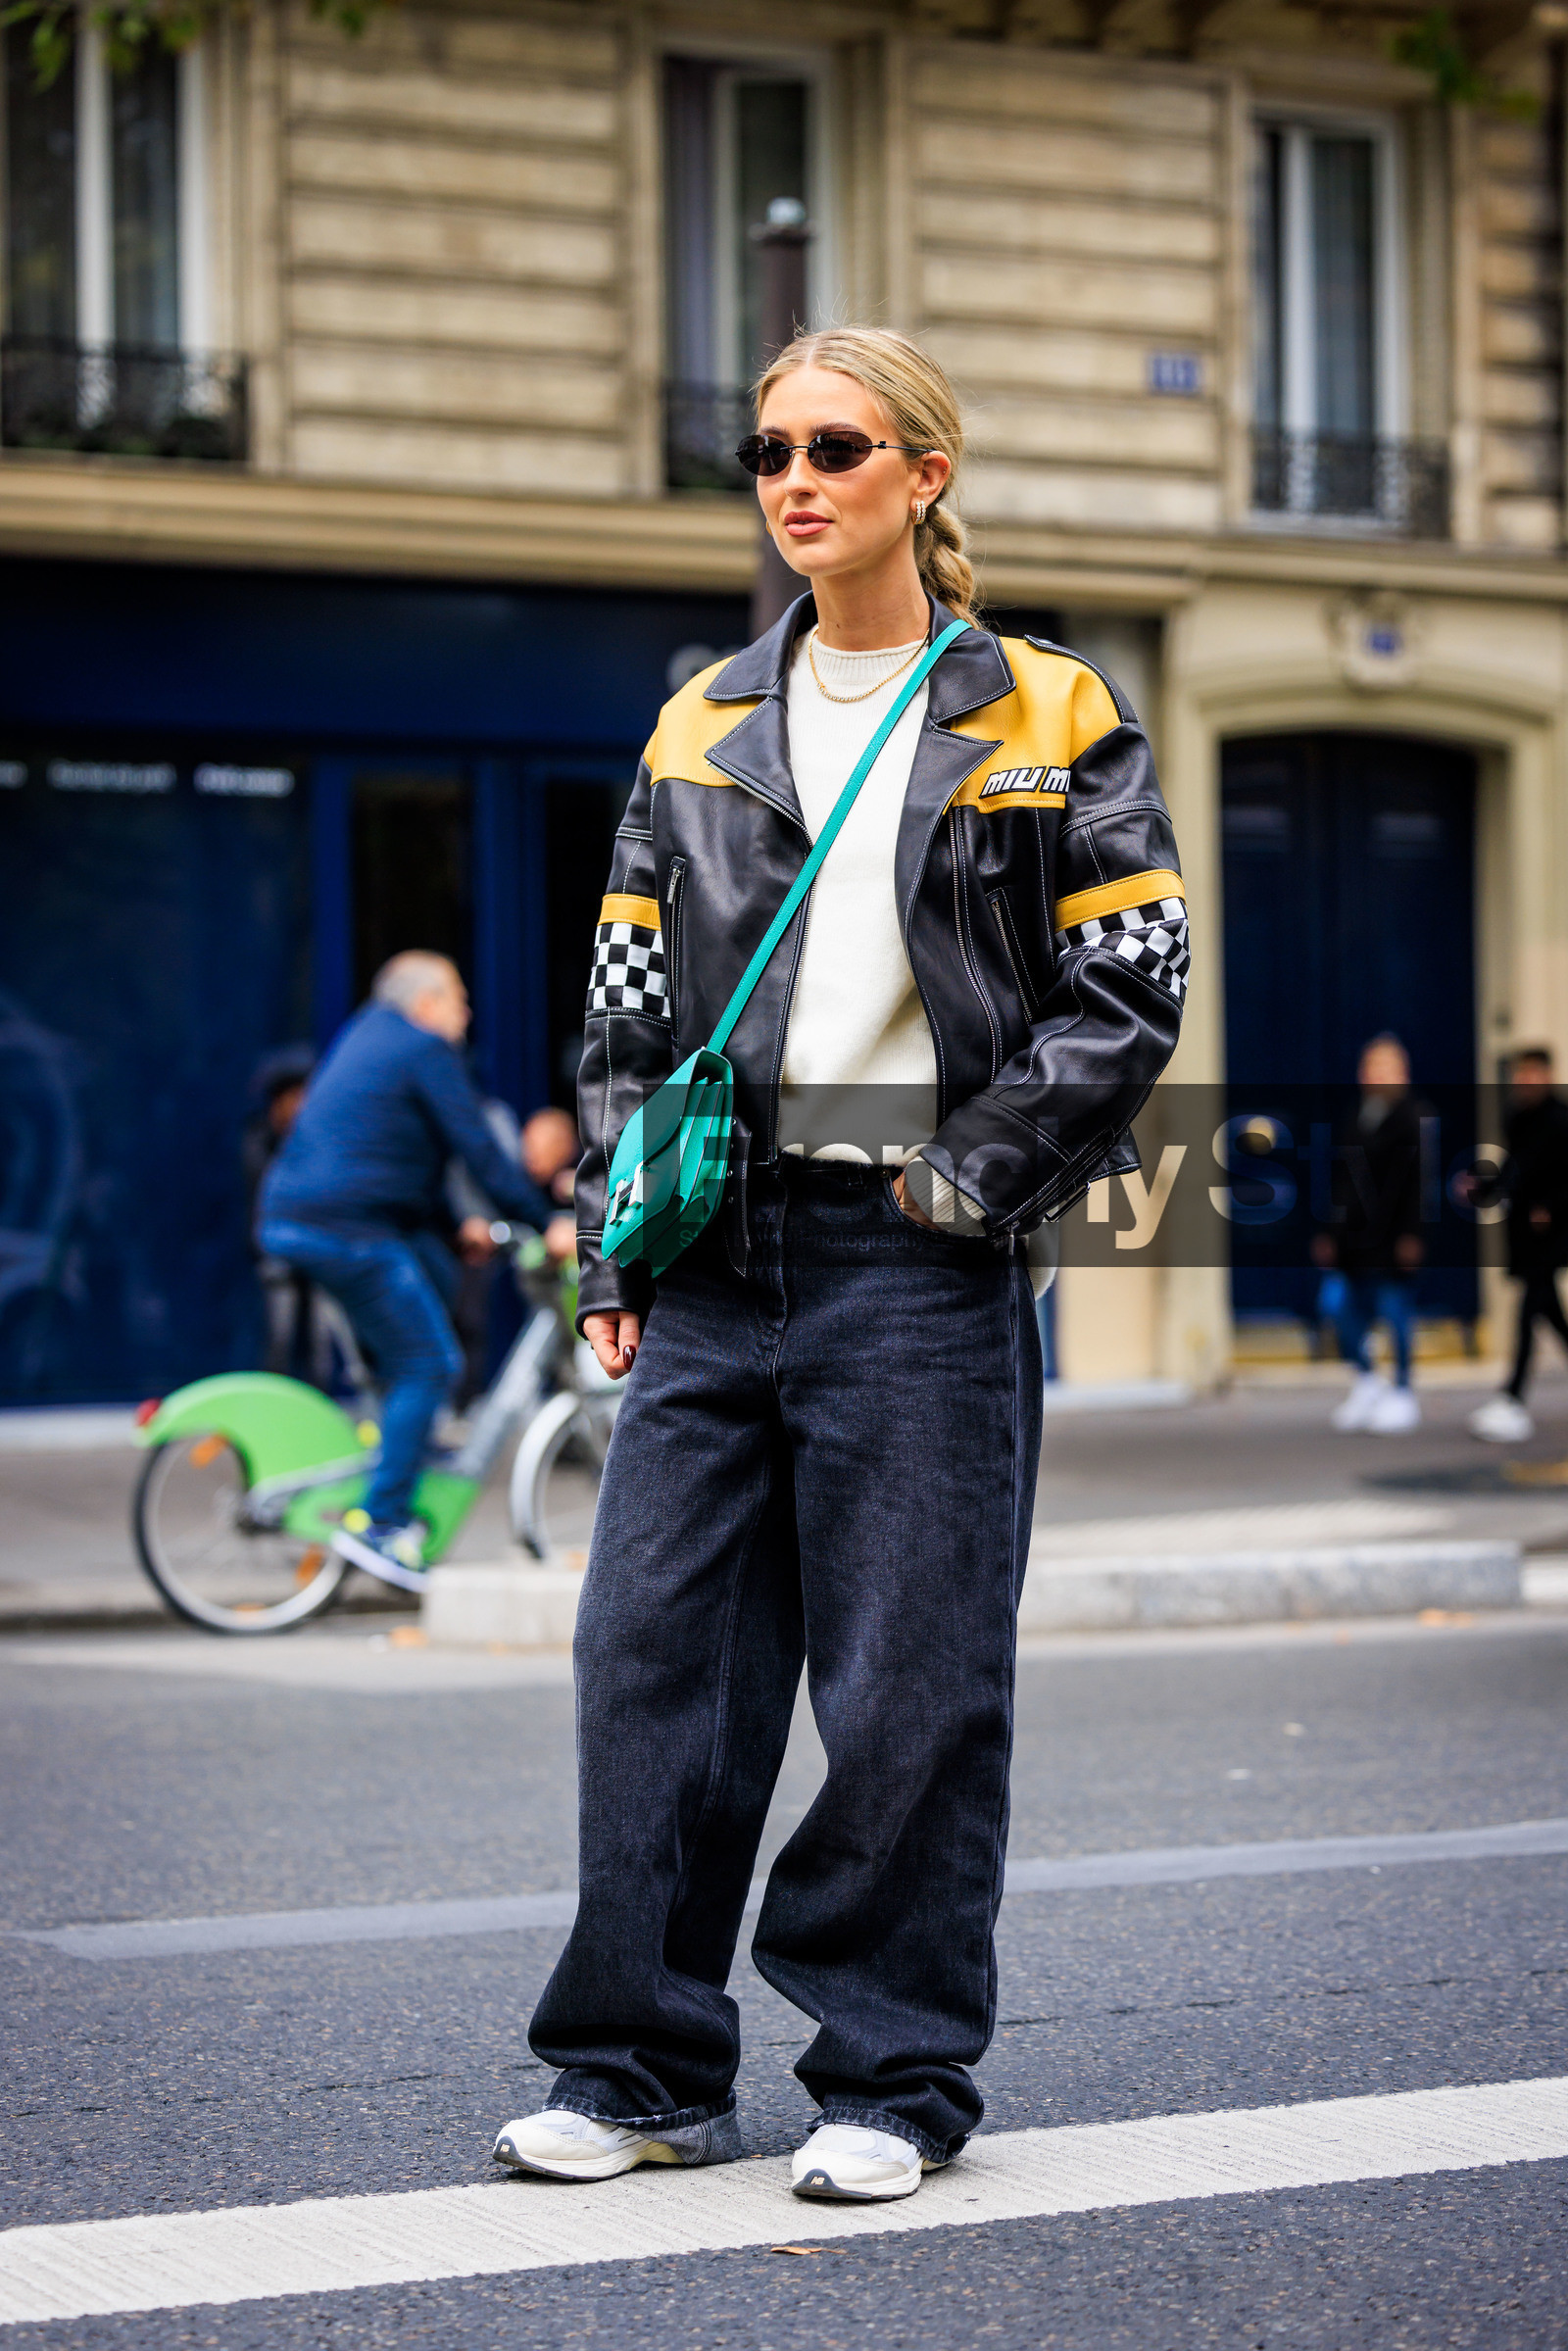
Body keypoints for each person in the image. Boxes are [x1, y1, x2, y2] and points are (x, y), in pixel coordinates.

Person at [492, 326, 1185, 2204]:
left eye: (836, 445)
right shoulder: (702, 714)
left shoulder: (1049, 710)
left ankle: (893, 2069)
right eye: (767, 448)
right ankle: (636, 2061)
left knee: (908, 1683)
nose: (795, 476)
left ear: (923, 475)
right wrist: (610, 1240)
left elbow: (1135, 990)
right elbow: (626, 1000)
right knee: (653, 1662)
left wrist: (971, 1184)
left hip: (918, 1247)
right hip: (717, 1252)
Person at [258, 952, 575, 1586]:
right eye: (459, 997)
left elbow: (402, 1153)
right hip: (347, 1231)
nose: (468, 1012)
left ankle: (400, 1460)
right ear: (426, 1002)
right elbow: (478, 1149)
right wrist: (546, 1222)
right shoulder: (423, 1048)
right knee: (429, 1363)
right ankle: (380, 1521)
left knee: (418, 1326)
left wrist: (455, 1228)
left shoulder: (369, 1035)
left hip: (307, 1220)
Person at [1312, 1033, 1425, 1434]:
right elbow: (1341, 1181)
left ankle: (1402, 1390)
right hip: (1353, 1239)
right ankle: (1366, 1379)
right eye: (1373, 1066)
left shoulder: (1415, 1120)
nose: (1379, 1075)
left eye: (1387, 1067)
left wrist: (1413, 1234)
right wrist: (1329, 1231)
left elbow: (1419, 1184)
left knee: (1396, 1314)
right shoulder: (1356, 1117)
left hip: (1394, 1238)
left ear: (1403, 1074)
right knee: (1339, 1307)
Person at [1467, 1046, 1568, 1441]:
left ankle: (1512, 1397)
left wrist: (1552, 1207)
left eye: (1533, 1073)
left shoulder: (1560, 1120)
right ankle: (1511, 1400)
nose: (1526, 1080)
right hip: (1525, 1233)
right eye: (1520, 1073)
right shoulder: (1516, 1117)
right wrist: (1485, 1187)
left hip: (1554, 1233)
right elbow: (1515, 1168)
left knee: (1529, 1311)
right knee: (1551, 1315)